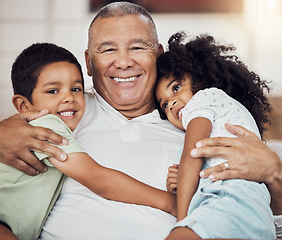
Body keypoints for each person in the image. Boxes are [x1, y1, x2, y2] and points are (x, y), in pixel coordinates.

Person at [0, 2, 281, 239]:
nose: (123, 62)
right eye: (108, 50)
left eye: (137, 47)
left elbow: (250, 210)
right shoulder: (65, 110)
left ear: (158, 55)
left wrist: (275, 174)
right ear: (88, 61)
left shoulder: (197, 119)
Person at [0, 42, 176, 240]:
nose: (69, 97)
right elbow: (100, 179)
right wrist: (169, 202)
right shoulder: (47, 126)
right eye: (53, 91)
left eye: (76, 89)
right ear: (23, 105)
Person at [155, 32, 275, 239]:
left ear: (200, 77)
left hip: (230, 199)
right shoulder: (224, 110)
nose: (172, 102)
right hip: (254, 209)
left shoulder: (204, 98)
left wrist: (184, 221)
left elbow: (191, 156)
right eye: (164, 104)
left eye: (176, 87)